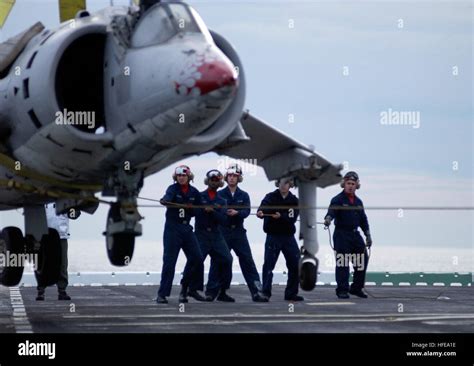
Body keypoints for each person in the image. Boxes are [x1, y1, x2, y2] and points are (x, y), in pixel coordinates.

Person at [208, 164, 268, 302]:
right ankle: (212, 292)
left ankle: (257, 292)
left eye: (234, 176)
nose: (232, 178)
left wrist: (237, 213)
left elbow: (246, 211)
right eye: (229, 176)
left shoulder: (244, 195)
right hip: (222, 232)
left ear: (239, 178)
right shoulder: (220, 194)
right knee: (218, 261)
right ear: (226, 177)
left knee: (247, 260)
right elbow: (215, 212)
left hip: (239, 233)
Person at [156, 165, 207, 304]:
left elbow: (200, 209)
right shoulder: (172, 189)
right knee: (169, 262)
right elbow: (167, 198)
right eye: (179, 176)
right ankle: (162, 294)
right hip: (172, 229)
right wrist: (164, 201)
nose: (181, 178)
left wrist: (193, 209)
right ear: (176, 177)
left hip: (186, 228)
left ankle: (188, 289)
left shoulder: (194, 192)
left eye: (184, 175)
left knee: (197, 258)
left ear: (188, 177)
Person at [186, 169, 234, 302]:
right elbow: (194, 214)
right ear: (208, 181)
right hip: (201, 234)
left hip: (216, 235)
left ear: (220, 183)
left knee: (227, 260)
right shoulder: (199, 196)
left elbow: (224, 220)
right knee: (196, 260)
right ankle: (190, 289)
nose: (214, 182)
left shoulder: (222, 200)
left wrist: (212, 211)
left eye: (216, 180)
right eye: (212, 180)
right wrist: (195, 208)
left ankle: (222, 291)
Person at [324, 171, 372, 299]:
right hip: (341, 234)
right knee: (343, 263)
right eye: (348, 183)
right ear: (343, 184)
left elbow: (363, 220)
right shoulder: (337, 200)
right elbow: (331, 211)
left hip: (355, 235)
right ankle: (342, 290)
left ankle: (356, 288)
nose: (350, 186)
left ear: (357, 185)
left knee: (362, 260)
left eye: (353, 183)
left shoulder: (358, 202)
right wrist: (328, 219)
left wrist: (368, 235)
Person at [257, 178, 303, 302]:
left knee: (295, 264)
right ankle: (265, 292)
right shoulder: (270, 197)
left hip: (288, 237)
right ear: (278, 183)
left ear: (291, 184)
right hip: (273, 236)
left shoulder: (294, 200)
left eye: (287, 183)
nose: (283, 185)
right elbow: (263, 208)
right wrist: (260, 212)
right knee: (269, 265)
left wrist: (280, 216)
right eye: (282, 182)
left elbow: (292, 217)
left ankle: (291, 293)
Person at [36, 203, 71, 301]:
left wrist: (75, 210)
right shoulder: (41, 199)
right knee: (41, 264)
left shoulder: (65, 200)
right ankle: (41, 291)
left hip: (61, 235)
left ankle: (62, 291)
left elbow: (74, 214)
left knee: (62, 265)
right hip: (43, 235)